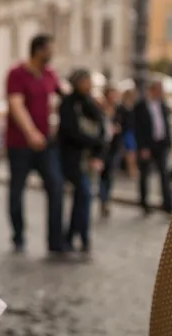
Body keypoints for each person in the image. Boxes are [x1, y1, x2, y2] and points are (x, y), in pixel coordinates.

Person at [4, 34, 66, 255]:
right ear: (38, 50)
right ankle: (18, 236)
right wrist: (31, 132)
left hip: (46, 144)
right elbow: (16, 104)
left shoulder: (50, 74)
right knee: (17, 189)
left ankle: (56, 241)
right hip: (20, 143)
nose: (53, 53)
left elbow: (64, 95)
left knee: (56, 186)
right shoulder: (16, 73)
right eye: (50, 49)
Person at [58, 69, 106, 255]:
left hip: (86, 159)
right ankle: (79, 236)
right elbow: (71, 132)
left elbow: (100, 125)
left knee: (82, 197)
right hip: (73, 159)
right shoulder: (69, 103)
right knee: (83, 194)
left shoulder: (88, 103)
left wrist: (97, 150)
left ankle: (74, 235)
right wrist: (93, 142)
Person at [134, 81, 172, 215]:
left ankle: (167, 203)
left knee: (164, 173)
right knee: (145, 174)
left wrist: (169, 141)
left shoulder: (162, 105)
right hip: (147, 145)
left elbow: (165, 124)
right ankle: (144, 203)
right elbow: (137, 128)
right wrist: (143, 147)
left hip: (160, 143)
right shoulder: (140, 106)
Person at [98, 87, 122, 218]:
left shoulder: (118, 110)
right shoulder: (100, 108)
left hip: (114, 146)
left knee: (110, 174)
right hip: (102, 147)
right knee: (103, 174)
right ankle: (103, 199)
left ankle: (106, 198)